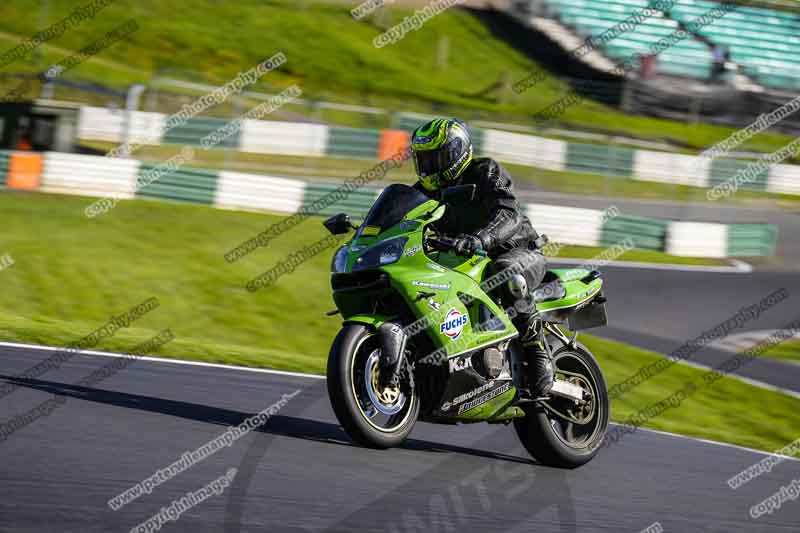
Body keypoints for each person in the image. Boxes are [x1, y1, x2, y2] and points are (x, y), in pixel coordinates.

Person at [410, 118, 553, 397]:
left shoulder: (486, 171)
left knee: (505, 272)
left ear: (457, 152)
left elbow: (508, 215)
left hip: (517, 252)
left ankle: (537, 352)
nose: (430, 166)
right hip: (465, 261)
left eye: (437, 158)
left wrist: (480, 239)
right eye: (424, 159)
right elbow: (405, 220)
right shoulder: (422, 192)